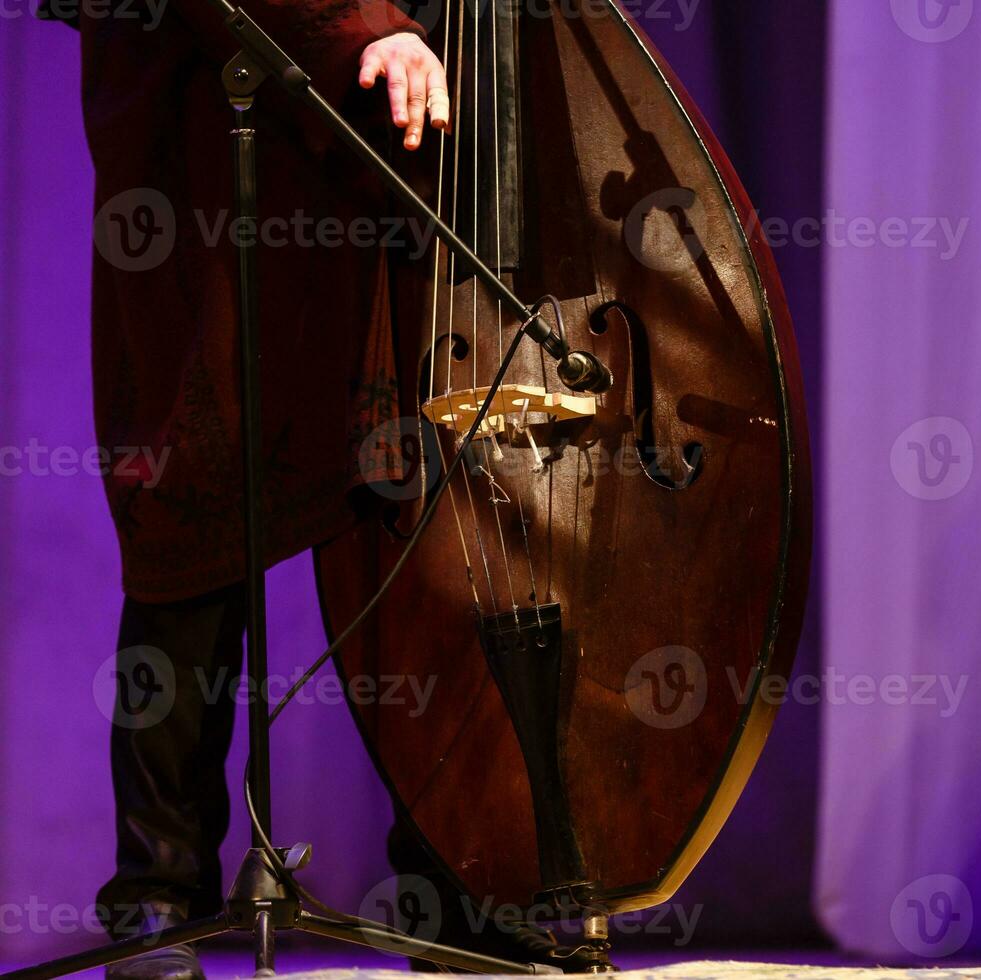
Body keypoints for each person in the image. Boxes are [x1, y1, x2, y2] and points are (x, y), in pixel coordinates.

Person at [38, 0, 587, 975]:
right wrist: (364, 23)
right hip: (214, 125)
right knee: (194, 488)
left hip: (375, 138)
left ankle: (449, 885)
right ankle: (158, 894)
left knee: (415, 496)